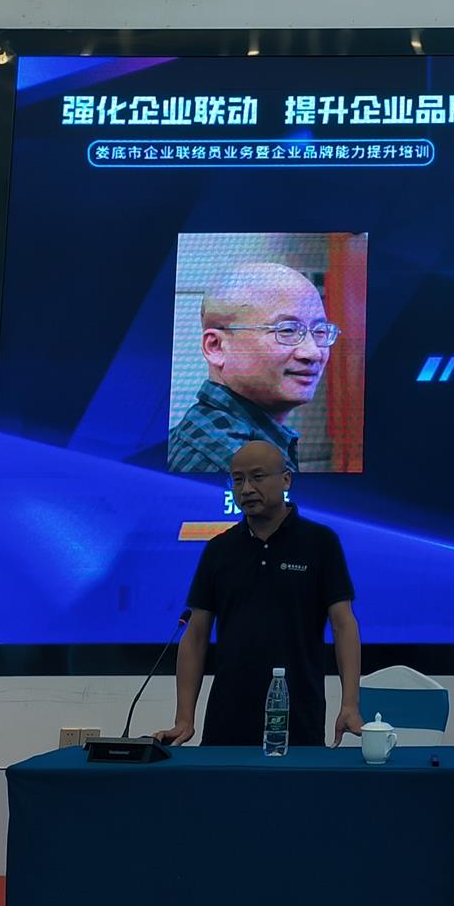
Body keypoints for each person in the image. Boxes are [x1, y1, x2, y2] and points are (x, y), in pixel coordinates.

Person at [155, 440, 364, 749]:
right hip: (227, 719)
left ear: (286, 479)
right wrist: (184, 718)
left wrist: (349, 704)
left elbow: (343, 625)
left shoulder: (320, 543)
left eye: (258, 477)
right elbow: (196, 635)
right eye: (238, 480)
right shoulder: (219, 549)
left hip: (298, 716)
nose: (247, 489)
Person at [167, 261, 341, 474]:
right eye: (287, 330)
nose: (313, 353)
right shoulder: (238, 465)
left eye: (320, 331)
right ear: (216, 347)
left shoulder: (202, 434)